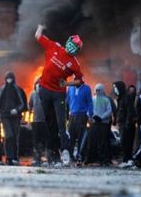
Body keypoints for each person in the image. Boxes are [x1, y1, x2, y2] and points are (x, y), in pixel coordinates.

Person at [34, 24, 84, 166]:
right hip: (44, 90)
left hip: (58, 94)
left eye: (75, 48)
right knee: (50, 125)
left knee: (61, 123)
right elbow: (38, 36)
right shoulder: (54, 47)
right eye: (71, 45)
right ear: (68, 43)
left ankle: (66, 151)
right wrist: (41, 26)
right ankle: (52, 155)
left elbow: (80, 80)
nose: (71, 49)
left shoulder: (74, 63)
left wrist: (67, 84)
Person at [0, 71, 25, 166]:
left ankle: (14, 157)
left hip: (15, 116)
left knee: (14, 136)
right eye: (7, 78)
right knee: (8, 135)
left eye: (10, 77)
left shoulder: (18, 89)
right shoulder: (1, 89)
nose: (9, 79)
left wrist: (17, 110)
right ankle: (9, 157)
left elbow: (23, 103)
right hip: (5, 116)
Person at [85, 83, 112, 166]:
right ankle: (91, 158)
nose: (98, 91)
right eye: (96, 90)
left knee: (103, 142)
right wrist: (93, 116)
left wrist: (101, 117)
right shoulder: (92, 99)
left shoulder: (106, 100)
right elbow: (88, 109)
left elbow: (109, 110)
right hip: (94, 124)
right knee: (92, 141)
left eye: (99, 90)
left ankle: (103, 159)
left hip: (103, 124)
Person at [66, 82, 93, 165]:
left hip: (82, 116)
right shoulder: (70, 88)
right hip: (72, 115)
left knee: (81, 137)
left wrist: (90, 115)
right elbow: (67, 100)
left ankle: (80, 156)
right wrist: (67, 113)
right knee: (71, 137)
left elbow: (90, 102)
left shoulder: (86, 88)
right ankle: (70, 156)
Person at [114, 81, 137, 168]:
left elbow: (130, 111)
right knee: (124, 142)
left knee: (126, 142)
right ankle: (126, 159)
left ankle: (128, 159)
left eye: (115, 88)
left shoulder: (127, 97)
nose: (114, 90)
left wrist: (127, 123)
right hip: (122, 124)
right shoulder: (120, 98)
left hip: (126, 124)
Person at [28, 79, 49, 166]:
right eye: (37, 84)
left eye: (40, 85)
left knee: (44, 140)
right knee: (35, 141)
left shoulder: (46, 94)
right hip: (36, 121)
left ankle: (45, 156)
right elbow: (30, 106)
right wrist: (29, 120)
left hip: (45, 121)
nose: (38, 86)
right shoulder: (33, 94)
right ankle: (36, 158)